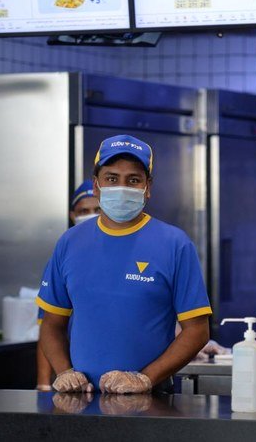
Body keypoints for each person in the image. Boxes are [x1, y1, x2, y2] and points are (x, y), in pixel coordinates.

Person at [37, 134, 212, 394]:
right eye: (111, 179)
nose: (122, 187)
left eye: (133, 180)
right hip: (82, 401)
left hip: (152, 400)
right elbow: (51, 325)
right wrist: (65, 372)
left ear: (147, 187)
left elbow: (197, 331)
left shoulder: (175, 244)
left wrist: (145, 379)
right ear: (96, 186)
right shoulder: (70, 243)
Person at [36, 180, 100, 391]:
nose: (90, 214)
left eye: (97, 209)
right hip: (73, 379)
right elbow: (48, 326)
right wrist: (43, 385)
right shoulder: (64, 256)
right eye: (84, 210)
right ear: (73, 215)